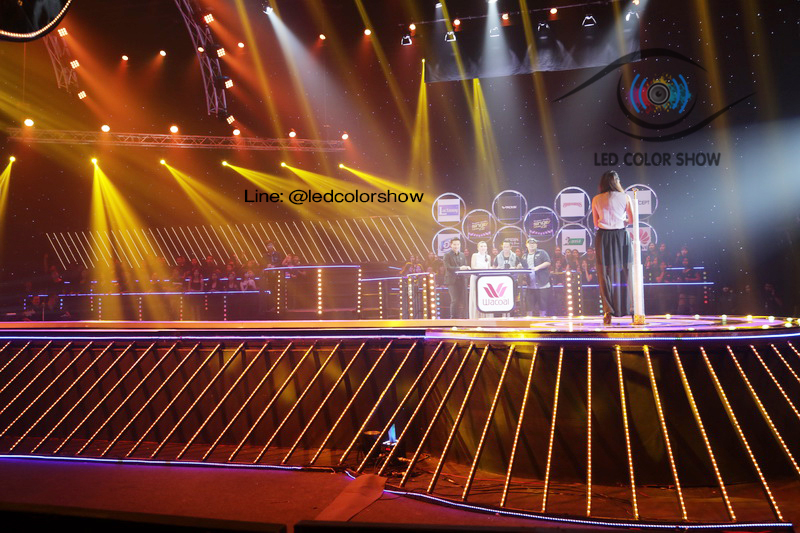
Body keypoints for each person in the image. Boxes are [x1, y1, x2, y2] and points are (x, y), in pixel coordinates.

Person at [591, 170, 634, 325]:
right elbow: (632, 220)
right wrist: (621, 221)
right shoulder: (625, 197)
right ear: (616, 181)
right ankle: (633, 309)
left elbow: (596, 223)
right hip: (621, 235)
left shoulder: (596, 198)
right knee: (628, 271)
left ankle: (607, 311)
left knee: (603, 273)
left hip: (603, 236)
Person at [520, 238, 551, 317]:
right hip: (530, 285)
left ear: (536, 245)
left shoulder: (542, 253)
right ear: (526, 245)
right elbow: (522, 266)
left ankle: (543, 321)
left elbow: (548, 262)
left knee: (543, 307)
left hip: (542, 284)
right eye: (530, 243)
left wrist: (538, 267)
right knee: (529, 307)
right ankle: (529, 322)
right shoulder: (524, 256)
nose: (532, 245)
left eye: (534, 243)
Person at [443, 237, 469, 319]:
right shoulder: (447, 255)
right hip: (452, 281)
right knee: (455, 300)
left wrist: (467, 268)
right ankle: (453, 318)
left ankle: (464, 317)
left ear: (460, 245)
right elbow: (448, 268)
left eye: (457, 244)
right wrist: (460, 268)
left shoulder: (462, 255)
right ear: (451, 245)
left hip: (462, 280)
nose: (456, 246)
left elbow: (464, 265)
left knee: (464, 300)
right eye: (454, 244)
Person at [468, 241, 493, 319]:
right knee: (476, 295)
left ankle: (485, 316)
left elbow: (489, 267)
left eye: (484, 246)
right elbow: (473, 267)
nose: (483, 248)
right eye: (481, 246)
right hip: (476, 277)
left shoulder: (488, 257)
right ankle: (475, 316)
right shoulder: (475, 255)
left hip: (485, 278)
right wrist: (483, 268)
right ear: (478, 248)